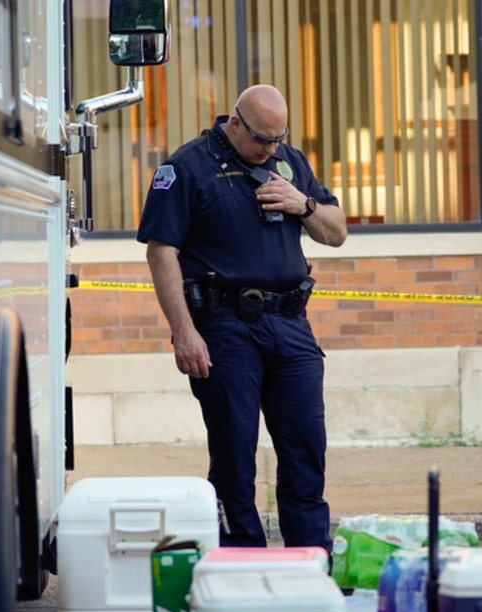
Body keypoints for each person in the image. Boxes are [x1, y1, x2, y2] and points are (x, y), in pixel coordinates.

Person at [138, 84, 347, 551]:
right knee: (234, 457)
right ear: (235, 123)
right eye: (261, 140)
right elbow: (161, 251)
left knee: (305, 448)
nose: (269, 149)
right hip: (225, 327)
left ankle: (310, 558)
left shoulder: (290, 163)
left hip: (290, 325)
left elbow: (337, 234)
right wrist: (184, 332)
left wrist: (304, 204)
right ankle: (242, 563)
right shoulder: (186, 168)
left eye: (277, 139)